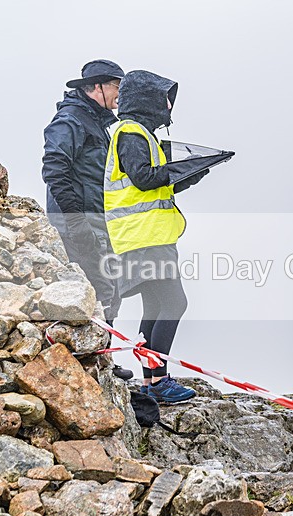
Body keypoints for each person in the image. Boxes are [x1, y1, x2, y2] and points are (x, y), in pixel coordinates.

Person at [104, 70, 208, 404]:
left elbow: (152, 184)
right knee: (176, 302)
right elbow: (145, 178)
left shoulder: (137, 132)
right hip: (144, 237)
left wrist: (191, 173)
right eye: (164, 97)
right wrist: (181, 169)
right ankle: (160, 379)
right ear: (148, 98)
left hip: (142, 236)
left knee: (156, 304)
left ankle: (150, 383)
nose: (168, 105)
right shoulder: (132, 132)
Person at [42, 59, 131, 380]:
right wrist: (76, 220)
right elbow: (54, 169)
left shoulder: (97, 123)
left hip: (100, 222)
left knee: (111, 288)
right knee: (101, 288)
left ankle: (102, 356)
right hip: (77, 223)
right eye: (117, 87)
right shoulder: (70, 121)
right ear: (97, 87)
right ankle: (97, 359)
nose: (121, 94)